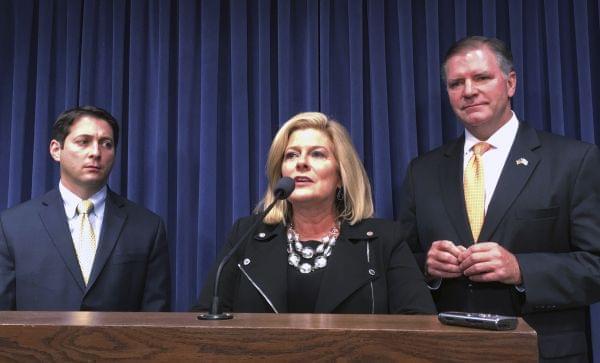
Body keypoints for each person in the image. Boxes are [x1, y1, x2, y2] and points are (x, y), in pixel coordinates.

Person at [399, 36, 600, 361]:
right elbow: (399, 264)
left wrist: (521, 269)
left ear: (510, 83)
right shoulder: (421, 172)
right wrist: (427, 267)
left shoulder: (574, 162)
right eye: (456, 83)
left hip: (541, 352)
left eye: (481, 78)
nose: (468, 91)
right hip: (446, 352)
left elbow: (596, 266)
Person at [196, 112, 435, 314]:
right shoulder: (246, 235)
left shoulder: (384, 240)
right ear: (281, 173)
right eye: (291, 155)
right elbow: (206, 316)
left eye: (317, 154)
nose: (301, 163)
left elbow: (417, 324)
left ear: (341, 176)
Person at [0, 106, 171, 311]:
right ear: (56, 150)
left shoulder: (148, 227)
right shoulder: (12, 225)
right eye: (83, 142)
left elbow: (155, 316)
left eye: (106, 144)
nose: (96, 152)